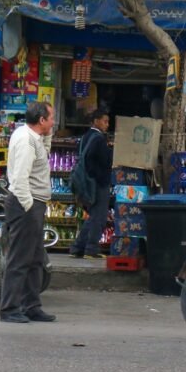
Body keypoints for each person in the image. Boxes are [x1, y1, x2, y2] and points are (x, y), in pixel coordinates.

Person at [0, 101, 56, 323]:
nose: (54, 122)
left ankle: (31, 305)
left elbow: (44, 157)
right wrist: (30, 207)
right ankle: (10, 308)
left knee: (35, 259)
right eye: (51, 118)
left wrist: (48, 135)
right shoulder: (26, 141)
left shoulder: (33, 138)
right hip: (26, 204)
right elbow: (20, 179)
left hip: (32, 203)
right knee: (20, 259)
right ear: (41, 120)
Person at [71, 108, 112, 259]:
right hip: (98, 182)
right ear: (96, 121)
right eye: (105, 121)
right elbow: (105, 161)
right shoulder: (99, 139)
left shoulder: (85, 137)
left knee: (93, 215)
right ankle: (91, 249)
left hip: (86, 182)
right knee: (99, 216)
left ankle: (77, 248)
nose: (107, 124)